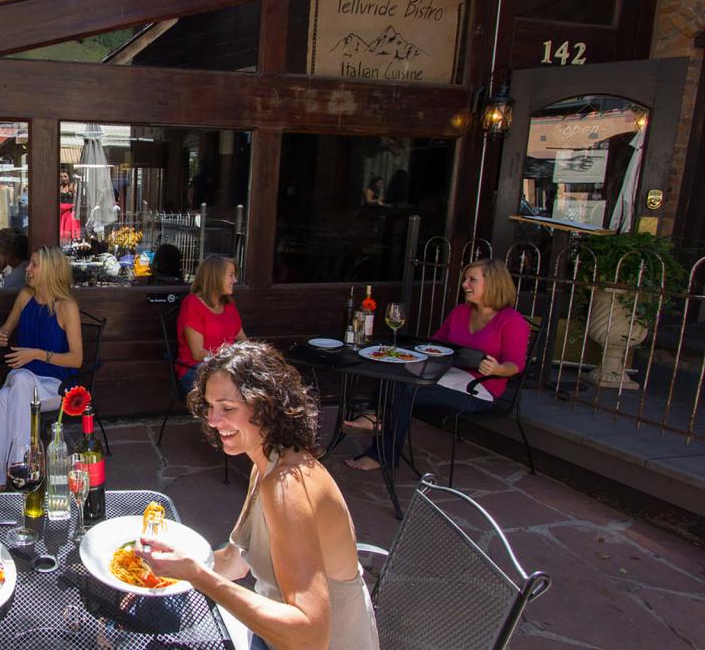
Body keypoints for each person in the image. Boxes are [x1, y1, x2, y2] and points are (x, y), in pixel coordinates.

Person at [136, 342, 380, 650]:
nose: (212, 420)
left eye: (227, 408)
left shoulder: (287, 488)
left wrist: (198, 576)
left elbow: (310, 636)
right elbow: (236, 560)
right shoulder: (267, 465)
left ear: (265, 406)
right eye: (210, 407)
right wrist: (162, 573)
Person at [344, 258, 529, 471]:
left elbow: (515, 364)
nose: (464, 285)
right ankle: (375, 416)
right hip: (447, 375)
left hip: (480, 390)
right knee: (393, 373)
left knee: (406, 390)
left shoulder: (511, 320)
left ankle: (380, 447)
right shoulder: (461, 312)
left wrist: (497, 369)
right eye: (464, 279)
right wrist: (406, 353)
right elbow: (435, 343)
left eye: (472, 280)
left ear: (493, 283)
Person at [0, 246, 83, 482]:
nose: (28, 268)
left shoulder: (67, 306)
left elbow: (77, 359)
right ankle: (22, 467)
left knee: (4, 398)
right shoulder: (26, 297)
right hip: (23, 383)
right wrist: (2, 335)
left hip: (56, 386)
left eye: (34, 264)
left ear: (49, 270)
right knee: (22, 379)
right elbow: (5, 329)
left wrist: (37, 354)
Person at [176, 255, 246, 394]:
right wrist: (230, 359)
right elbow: (198, 353)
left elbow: (243, 339)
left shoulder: (228, 304)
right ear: (215, 276)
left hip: (227, 367)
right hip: (197, 371)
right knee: (239, 388)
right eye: (231, 275)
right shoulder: (192, 304)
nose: (235, 280)